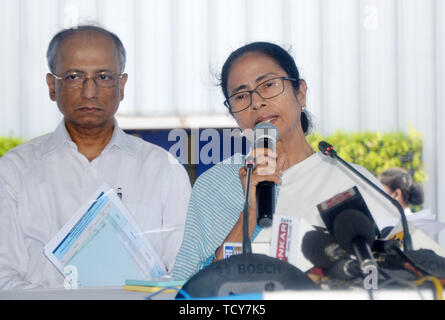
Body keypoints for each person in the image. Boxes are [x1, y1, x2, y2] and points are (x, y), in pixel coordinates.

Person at [172, 41, 403, 281]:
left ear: (300, 92)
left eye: (268, 85)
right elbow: (187, 290)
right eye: (241, 96)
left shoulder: (351, 180)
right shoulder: (214, 185)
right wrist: (249, 214)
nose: (256, 102)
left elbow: (390, 276)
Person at [0, 25, 191, 289]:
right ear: (51, 85)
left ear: (122, 85)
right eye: (73, 76)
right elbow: (3, 277)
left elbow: (184, 273)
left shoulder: (162, 169)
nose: (89, 91)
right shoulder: (13, 171)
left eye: (103, 77)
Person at [378, 168, 445, 239]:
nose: (378, 196)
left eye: (382, 191)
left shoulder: (407, 227)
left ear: (397, 194)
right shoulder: (390, 220)